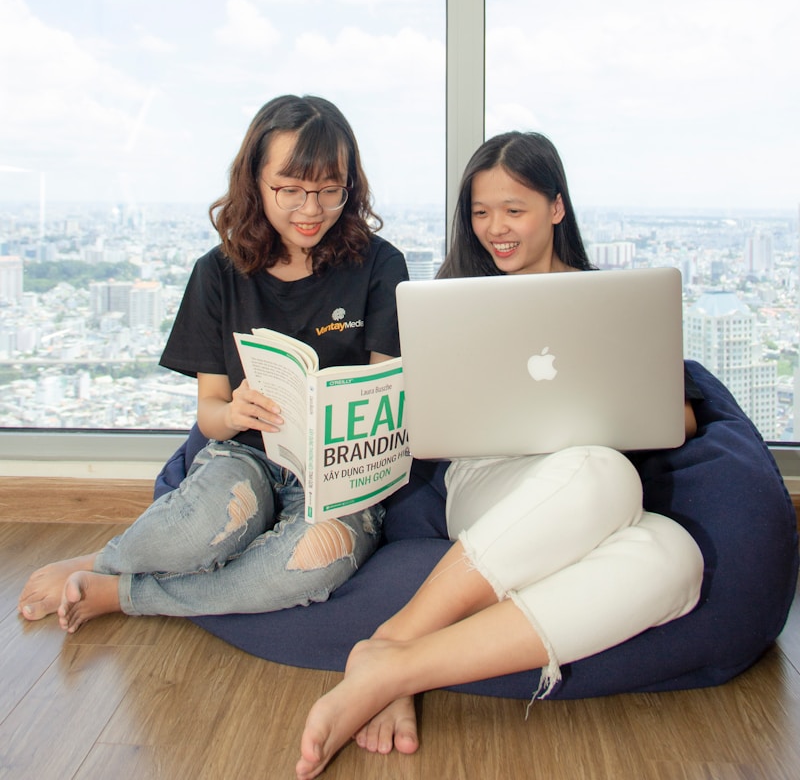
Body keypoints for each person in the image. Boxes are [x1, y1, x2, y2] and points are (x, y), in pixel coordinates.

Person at [296, 131, 705, 779]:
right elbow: (418, 408)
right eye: (481, 213)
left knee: (676, 559)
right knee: (607, 474)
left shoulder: (605, 301)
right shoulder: (454, 297)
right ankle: (397, 636)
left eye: (513, 210)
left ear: (556, 207)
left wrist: (606, 398)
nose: (495, 229)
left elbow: (677, 415)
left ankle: (394, 663)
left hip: (584, 484)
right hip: (490, 483)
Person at [19, 94, 408, 633]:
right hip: (242, 455)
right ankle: (108, 556)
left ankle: (123, 588)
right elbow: (209, 415)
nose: (311, 208)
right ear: (256, 180)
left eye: (328, 190)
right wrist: (236, 413)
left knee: (312, 565)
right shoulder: (219, 272)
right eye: (289, 189)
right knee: (191, 533)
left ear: (350, 184)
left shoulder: (380, 265)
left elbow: (388, 393)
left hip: (338, 474)